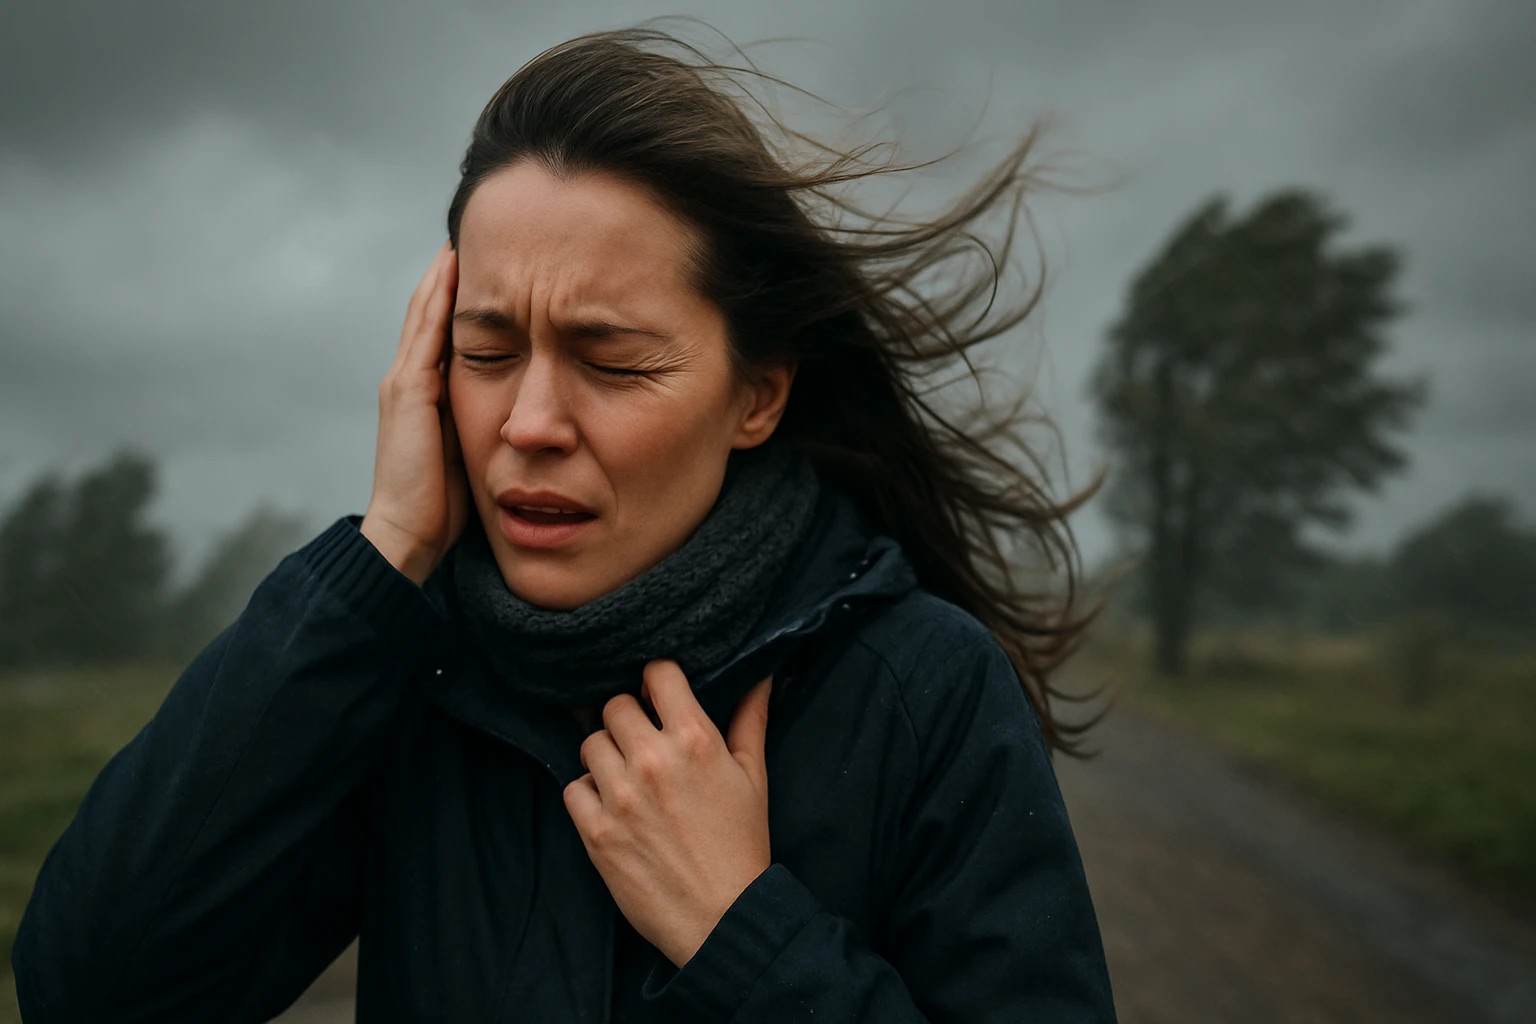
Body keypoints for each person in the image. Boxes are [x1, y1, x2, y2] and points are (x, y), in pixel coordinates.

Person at [13, 27, 1118, 1024]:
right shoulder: (405, 675)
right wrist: (387, 548)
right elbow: (90, 991)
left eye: (614, 361)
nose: (529, 423)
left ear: (758, 395)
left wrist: (744, 935)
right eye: (487, 352)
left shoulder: (921, 690)